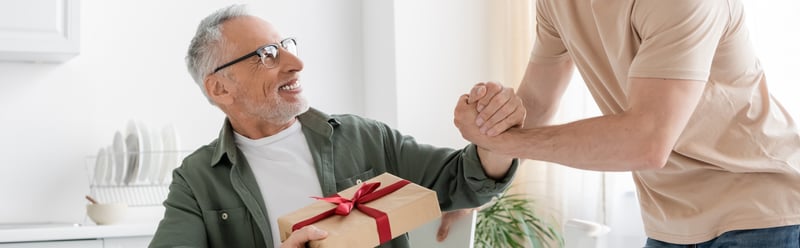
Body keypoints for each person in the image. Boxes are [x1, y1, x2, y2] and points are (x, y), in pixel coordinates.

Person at [149, 4, 525, 248]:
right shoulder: (196, 181)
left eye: (287, 45)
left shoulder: (364, 138)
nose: (296, 63)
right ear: (220, 88)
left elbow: (463, 180)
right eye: (268, 55)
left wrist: (490, 137)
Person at [457, 0, 800, 247]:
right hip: (670, 224)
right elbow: (535, 103)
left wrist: (504, 141)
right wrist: (473, 188)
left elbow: (647, 141)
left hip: (763, 213)